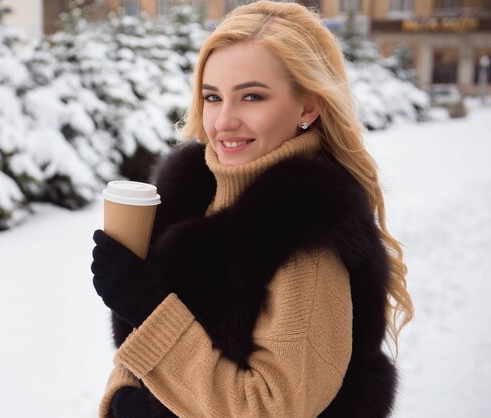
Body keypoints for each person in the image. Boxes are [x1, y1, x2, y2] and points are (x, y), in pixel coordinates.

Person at [91, 1, 414, 416]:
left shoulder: (306, 234)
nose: (224, 120)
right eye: (212, 97)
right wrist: (122, 397)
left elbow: (272, 407)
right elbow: (142, 356)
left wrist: (148, 309)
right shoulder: (187, 199)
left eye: (251, 97)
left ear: (307, 107)